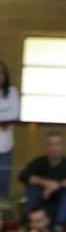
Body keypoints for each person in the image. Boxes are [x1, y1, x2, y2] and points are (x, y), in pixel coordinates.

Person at [19, 132, 66, 228]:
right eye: (51, 144)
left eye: (57, 144)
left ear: (63, 147)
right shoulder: (38, 162)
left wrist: (56, 186)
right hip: (41, 201)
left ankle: (58, 226)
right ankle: (31, 221)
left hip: (60, 203)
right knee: (32, 188)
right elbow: (24, 175)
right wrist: (45, 183)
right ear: (47, 147)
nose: (54, 148)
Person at [0, 60, 17, 201]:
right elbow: (6, 118)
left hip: (5, 147)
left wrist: (6, 120)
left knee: (3, 183)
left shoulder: (12, 92)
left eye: (1, 73)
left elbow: (13, 116)